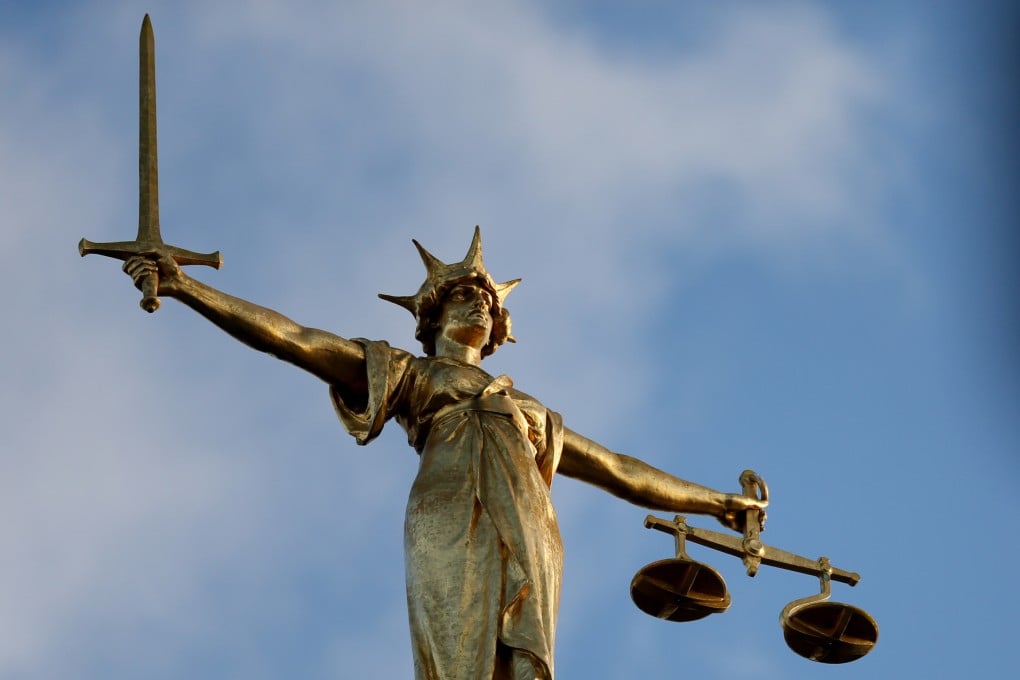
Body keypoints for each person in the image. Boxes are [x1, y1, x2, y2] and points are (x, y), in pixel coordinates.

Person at [124, 227, 765, 680]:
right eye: (464, 297)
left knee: (521, 660)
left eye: (487, 302)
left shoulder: (533, 414)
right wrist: (186, 289)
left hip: (531, 526)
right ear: (431, 320)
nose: (479, 307)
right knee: (458, 651)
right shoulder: (413, 375)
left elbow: (617, 469)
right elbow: (294, 339)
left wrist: (720, 504)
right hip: (451, 512)